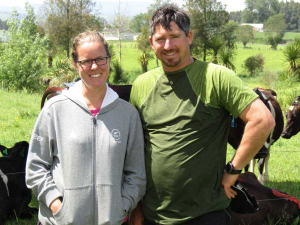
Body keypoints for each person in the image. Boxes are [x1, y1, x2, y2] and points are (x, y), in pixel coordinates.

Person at [129, 6, 275, 225]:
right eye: (160, 39)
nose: (168, 46)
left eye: (174, 37)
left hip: (206, 214)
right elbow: (134, 150)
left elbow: (263, 119)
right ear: (151, 42)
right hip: (154, 214)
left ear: (189, 37)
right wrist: (137, 209)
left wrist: (233, 170)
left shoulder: (215, 77)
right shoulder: (142, 85)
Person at [26, 31, 146, 225]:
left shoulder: (128, 114)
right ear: (75, 64)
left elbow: (137, 173)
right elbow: (36, 166)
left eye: (100, 59)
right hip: (59, 221)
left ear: (108, 60)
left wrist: (122, 206)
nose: (94, 67)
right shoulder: (54, 109)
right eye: (86, 61)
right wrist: (57, 205)